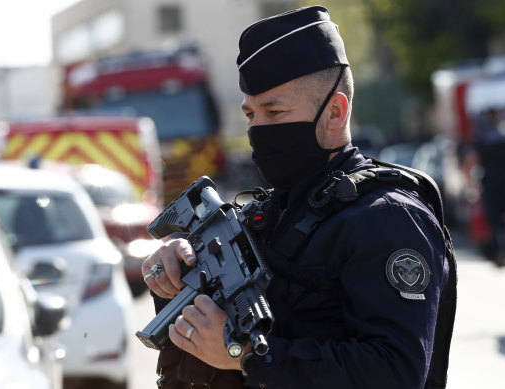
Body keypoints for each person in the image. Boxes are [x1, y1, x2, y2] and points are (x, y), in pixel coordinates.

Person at [142, 6, 456, 389]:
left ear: (335, 112)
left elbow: (393, 371)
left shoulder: (388, 218)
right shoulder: (271, 214)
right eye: (250, 114)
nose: (257, 129)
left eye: (274, 112)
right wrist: (177, 271)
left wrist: (248, 357)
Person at [470, 108, 505, 266]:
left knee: (494, 218)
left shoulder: (483, 138)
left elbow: (473, 160)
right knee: (504, 218)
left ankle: (499, 249)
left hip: (490, 183)